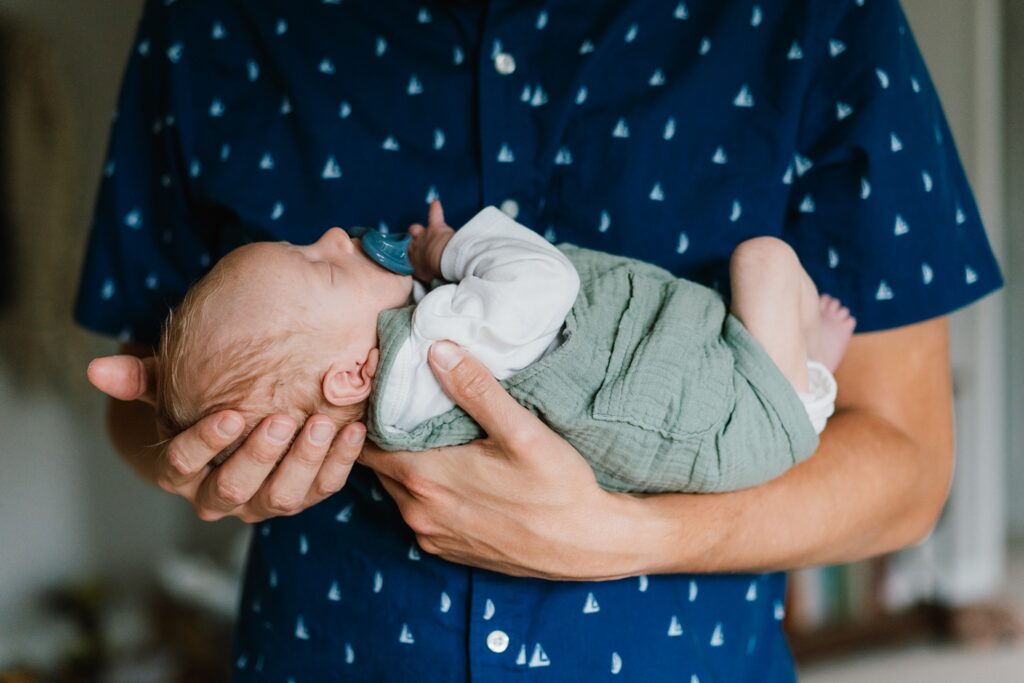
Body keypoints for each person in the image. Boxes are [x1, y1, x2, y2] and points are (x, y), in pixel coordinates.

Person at [78, 0, 1002, 680]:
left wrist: (627, 535)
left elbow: (909, 466)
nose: (341, 235)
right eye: (319, 263)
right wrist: (195, 459)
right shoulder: (211, 27)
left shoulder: (820, 20)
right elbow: (155, 412)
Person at [156, 201, 849, 494]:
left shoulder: (404, 400)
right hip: (741, 411)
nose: (336, 234)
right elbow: (545, 281)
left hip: (716, 420)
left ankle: (800, 377)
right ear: (348, 376)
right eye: (324, 265)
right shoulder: (434, 345)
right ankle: (805, 378)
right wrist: (449, 249)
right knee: (765, 259)